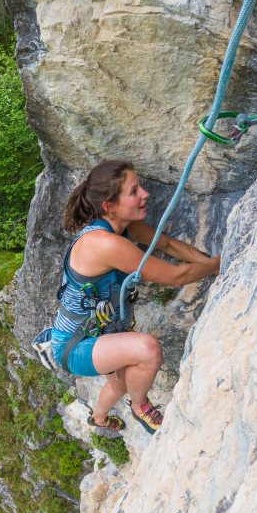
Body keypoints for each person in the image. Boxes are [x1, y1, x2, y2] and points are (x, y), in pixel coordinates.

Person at [51, 159, 220, 434]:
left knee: (119, 385)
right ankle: (140, 406)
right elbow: (175, 276)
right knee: (147, 349)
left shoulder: (123, 228)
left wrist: (208, 262)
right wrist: (220, 263)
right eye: (134, 191)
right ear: (109, 207)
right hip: (76, 344)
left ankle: (99, 418)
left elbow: (167, 244)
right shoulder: (104, 244)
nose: (145, 193)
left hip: (98, 331)